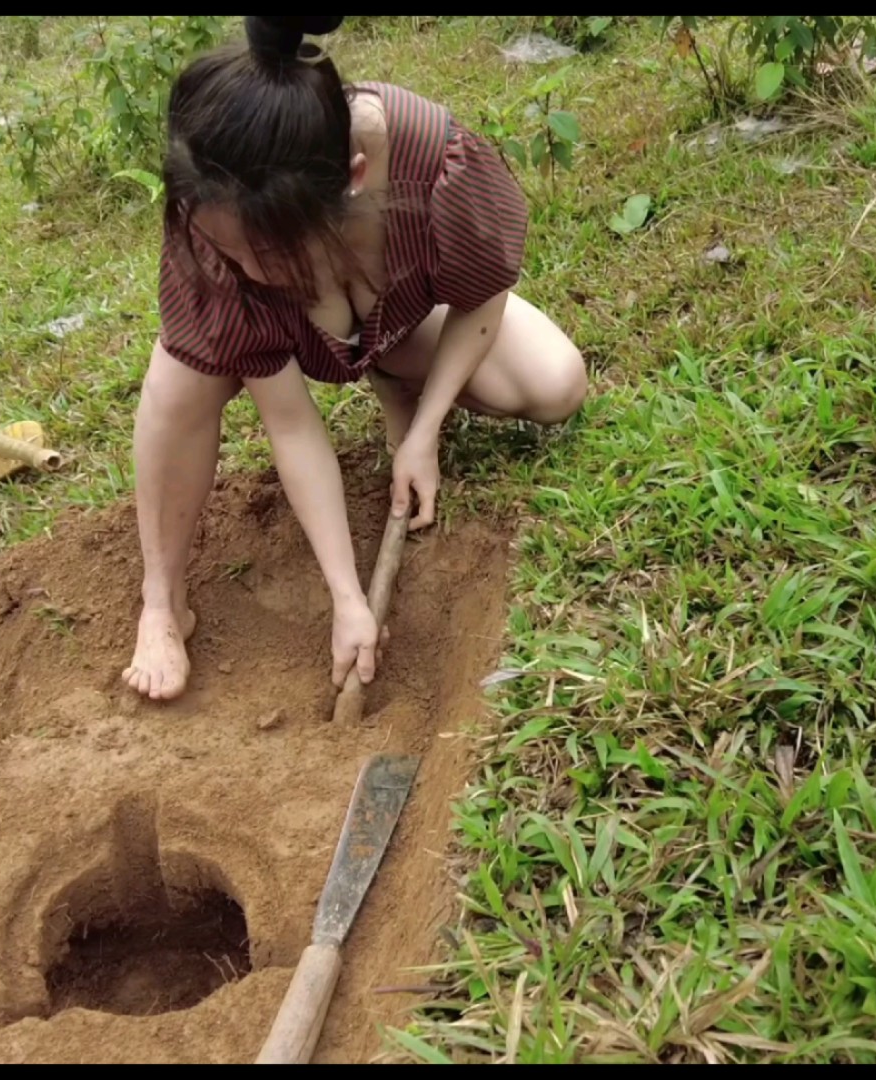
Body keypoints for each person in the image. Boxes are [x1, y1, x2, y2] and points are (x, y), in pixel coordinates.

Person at [122, 15, 589, 701]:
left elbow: (482, 296)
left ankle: (399, 387)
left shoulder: (435, 159)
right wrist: (347, 597)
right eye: (232, 251)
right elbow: (288, 420)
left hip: (395, 320)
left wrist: (426, 430)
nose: (249, 268)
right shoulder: (217, 222)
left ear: (352, 179)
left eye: (271, 250)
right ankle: (162, 601)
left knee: (557, 384)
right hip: (279, 345)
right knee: (179, 387)